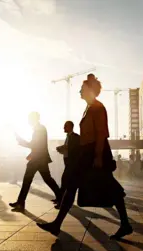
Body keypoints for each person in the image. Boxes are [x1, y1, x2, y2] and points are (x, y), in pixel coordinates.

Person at [36, 75, 133, 240]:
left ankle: (125, 224)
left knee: (110, 188)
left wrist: (97, 156)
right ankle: (57, 224)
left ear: (89, 90)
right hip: (87, 152)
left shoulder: (97, 107)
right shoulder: (89, 107)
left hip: (95, 152)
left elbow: (101, 133)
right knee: (73, 185)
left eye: (82, 88)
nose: (79, 91)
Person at [9, 112, 62, 211]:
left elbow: (34, 144)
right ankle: (60, 197)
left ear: (34, 119)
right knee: (47, 179)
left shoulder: (39, 129)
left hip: (37, 159)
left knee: (27, 180)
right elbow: (38, 145)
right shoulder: (40, 128)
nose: (28, 121)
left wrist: (21, 141)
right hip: (40, 158)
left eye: (29, 119)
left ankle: (20, 203)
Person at [56, 121, 80, 208]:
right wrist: (62, 149)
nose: (64, 128)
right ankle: (61, 202)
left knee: (65, 182)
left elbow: (74, 149)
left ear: (70, 127)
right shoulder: (68, 137)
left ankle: (61, 203)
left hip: (72, 164)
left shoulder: (75, 137)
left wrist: (64, 148)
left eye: (65, 126)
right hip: (67, 162)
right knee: (67, 183)